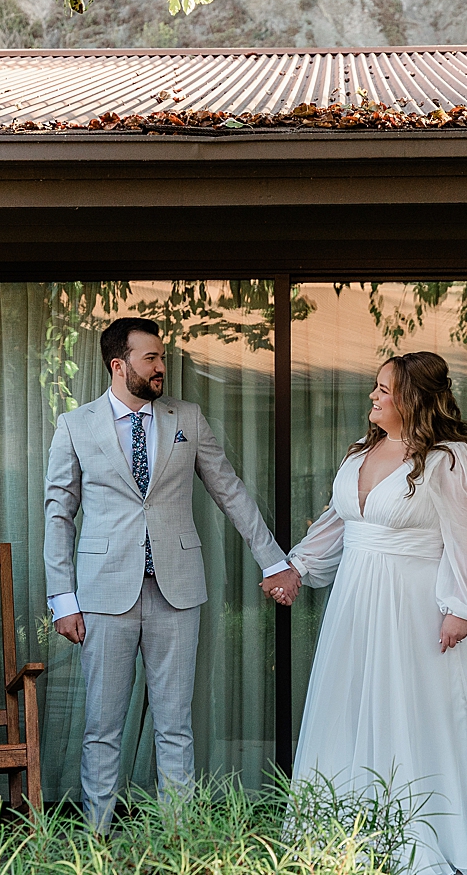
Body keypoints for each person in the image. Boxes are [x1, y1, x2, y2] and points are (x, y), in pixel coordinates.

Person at [44, 316, 302, 834]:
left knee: (175, 725)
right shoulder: (76, 425)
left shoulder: (187, 418)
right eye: (152, 359)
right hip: (102, 592)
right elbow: (58, 512)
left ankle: (177, 840)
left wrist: (274, 560)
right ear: (119, 365)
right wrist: (62, 598)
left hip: (176, 589)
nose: (162, 367)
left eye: (163, 358)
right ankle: (95, 841)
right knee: (102, 726)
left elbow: (229, 490)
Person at [271, 350, 467, 875]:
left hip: (416, 604)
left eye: (384, 388)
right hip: (355, 600)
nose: (374, 396)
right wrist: (297, 568)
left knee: (414, 709)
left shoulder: (449, 459)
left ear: (413, 398)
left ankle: (424, 830)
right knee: (350, 703)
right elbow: (338, 522)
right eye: (376, 387)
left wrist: (459, 609)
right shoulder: (364, 451)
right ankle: (346, 827)